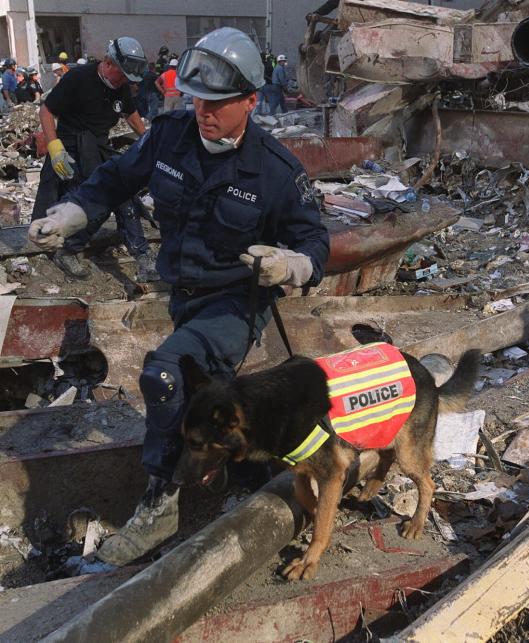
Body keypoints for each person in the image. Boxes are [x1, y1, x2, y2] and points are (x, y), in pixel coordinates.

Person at [28, 27, 329, 566]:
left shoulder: (275, 171)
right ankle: (245, 460)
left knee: (163, 375)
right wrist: (71, 214)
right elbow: (116, 179)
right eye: (196, 100)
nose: (203, 112)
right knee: (199, 390)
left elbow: (315, 241)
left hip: (235, 306)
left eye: (216, 103)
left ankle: (161, 502)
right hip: (183, 296)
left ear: (250, 101)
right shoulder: (170, 136)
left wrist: (292, 265)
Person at [31, 37, 152, 279]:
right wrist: (55, 147)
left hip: (98, 147)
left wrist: (150, 138)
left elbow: (130, 113)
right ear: (108, 63)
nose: (126, 82)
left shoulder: (121, 85)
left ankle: (143, 256)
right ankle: (68, 249)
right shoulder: (78, 78)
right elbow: (47, 110)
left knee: (125, 197)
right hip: (71, 148)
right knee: (90, 204)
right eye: (123, 75)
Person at [256, 50, 274, 115]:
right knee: (269, 100)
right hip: (267, 84)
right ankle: (270, 113)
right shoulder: (269, 64)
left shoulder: (258, 65)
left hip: (259, 85)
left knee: (259, 100)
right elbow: (272, 72)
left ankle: (258, 113)